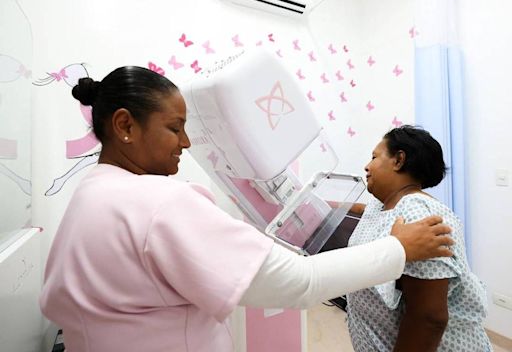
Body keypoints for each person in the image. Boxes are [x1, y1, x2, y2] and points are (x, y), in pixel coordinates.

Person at [39, 67, 454, 352]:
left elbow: (430, 315)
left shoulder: (91, 192)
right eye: (174, 128)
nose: (185, 143)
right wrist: (399, 248)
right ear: (125, 126)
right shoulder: (160, 202)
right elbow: (300, 282)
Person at [346, 126, 491, 352]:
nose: (367, 165)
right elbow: (362, 211)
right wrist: (317, 204)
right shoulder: (381, 204)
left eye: (374, 157)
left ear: (398, 160)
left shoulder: (419, 216)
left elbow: (429, 318)